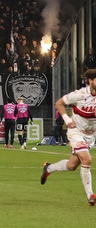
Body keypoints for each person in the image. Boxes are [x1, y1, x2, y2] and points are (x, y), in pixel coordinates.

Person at [40, 68, 96, 206]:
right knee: (87, 159)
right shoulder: (80, 94)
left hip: (90, 135)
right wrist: (66, 119)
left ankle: (49, 168)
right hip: (76, 131)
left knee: (72, 166)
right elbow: (59, 103)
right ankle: (90, 195)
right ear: (90, 81)